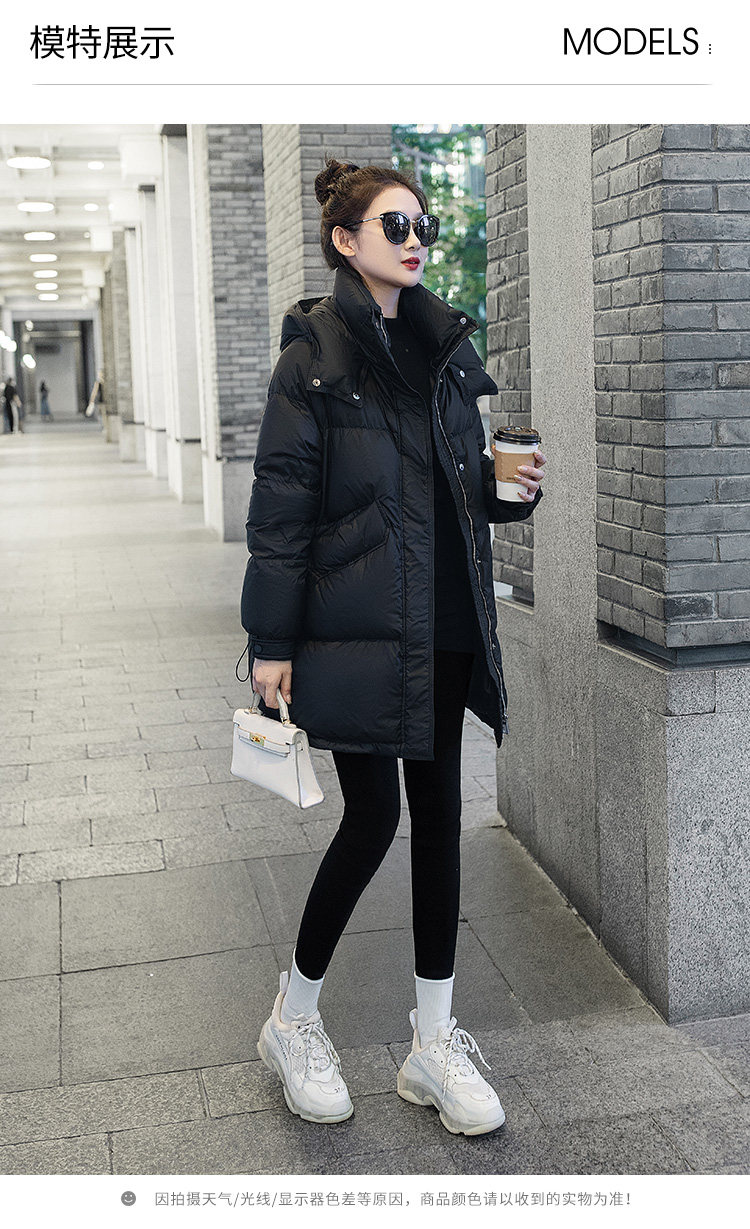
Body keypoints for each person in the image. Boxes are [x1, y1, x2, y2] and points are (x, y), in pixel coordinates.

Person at [241, 157, 547, 1135]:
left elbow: (462, 484)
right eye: (395, 225)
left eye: (423, 226)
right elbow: (281, 511)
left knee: (441, 820)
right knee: (372, 819)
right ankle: (292, 1018)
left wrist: (507, 488)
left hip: (444, 621)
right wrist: (270, 640)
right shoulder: (313, 360)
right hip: (361, 623)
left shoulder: (444, 347)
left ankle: (433, 1042)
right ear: (346, 240)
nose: (416, 240)